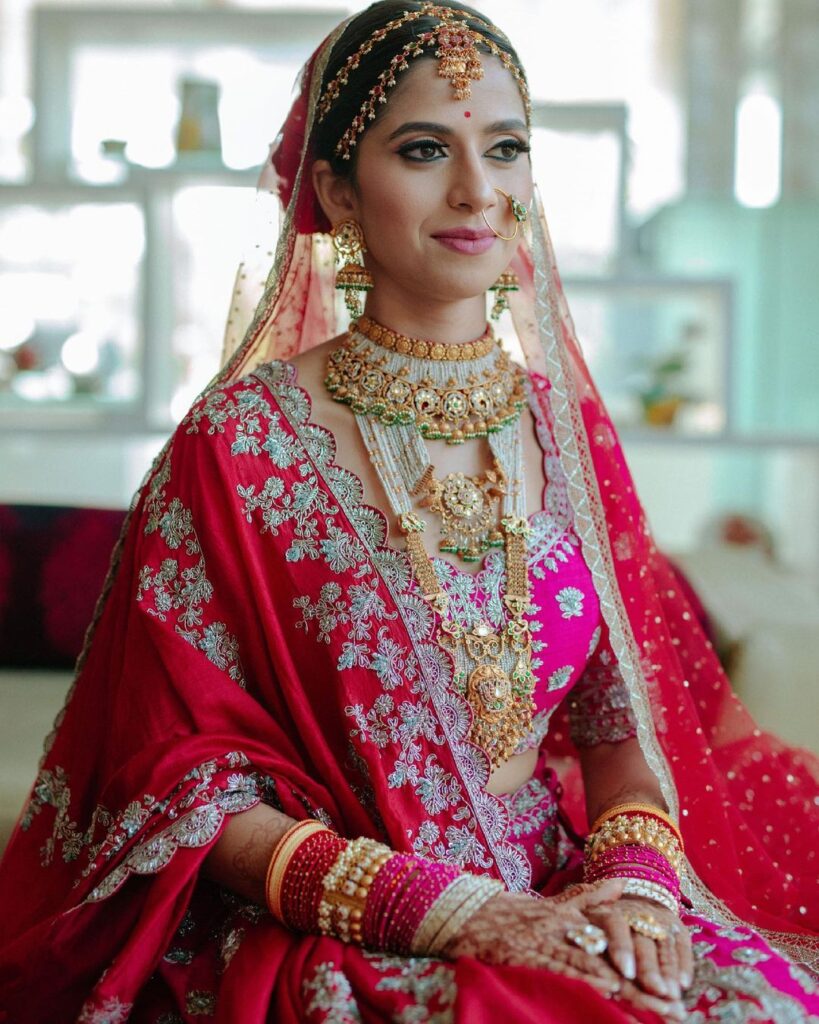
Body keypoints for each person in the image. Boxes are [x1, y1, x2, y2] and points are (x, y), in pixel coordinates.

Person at [0, 3, 817, 1021]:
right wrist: (453, 914)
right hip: (356, 927)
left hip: (574, 894)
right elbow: (177, 789)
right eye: (425, 149)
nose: (478, 190)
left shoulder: (562, 432)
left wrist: (638, 890)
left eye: (506, 148)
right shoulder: (242, 444)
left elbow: (619, 726)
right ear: (336, 190)